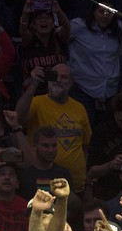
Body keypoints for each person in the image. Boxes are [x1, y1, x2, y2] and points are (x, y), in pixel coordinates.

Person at [16, 63, 92, 193]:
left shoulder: (79, 108)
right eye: (54, 76)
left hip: (76, 184)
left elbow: (85, 145)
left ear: (71, 82)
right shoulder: (37, 102)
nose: (58, 80)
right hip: (45, 181)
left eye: (64, 77)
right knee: (46, 212)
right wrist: (33, 84)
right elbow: (19, 117)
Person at [68, 0, 122, 125]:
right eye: (101, 11)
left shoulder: (118, 28)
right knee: (85, 129)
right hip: (83, 89)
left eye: (109, 12)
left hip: (110, 90)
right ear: (94, 12)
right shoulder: (78, 26)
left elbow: (118, 54)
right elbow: (59, 38)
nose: (105, 15)